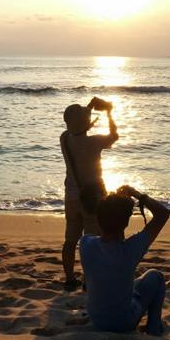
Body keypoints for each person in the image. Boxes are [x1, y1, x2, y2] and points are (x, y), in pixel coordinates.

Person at [79, 185, 170, 335]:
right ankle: (154, 328)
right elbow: (163, 214)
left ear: (98, 217)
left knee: (125, 283)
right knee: (156, 276)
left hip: (97, 319)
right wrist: (137, 195)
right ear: (126, 222)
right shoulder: (130, 250)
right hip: (123, 322)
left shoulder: (85, 243)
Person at [60, 97, 118, 288]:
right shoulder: (94, 142)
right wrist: (108, 113)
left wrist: (89, 110)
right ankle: (88, 280)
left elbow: (76, 129)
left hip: (72, 197)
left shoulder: (64, 139)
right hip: (92, 197)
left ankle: (69, 278)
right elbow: (114, 136)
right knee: (92, 241)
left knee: (70, 240)